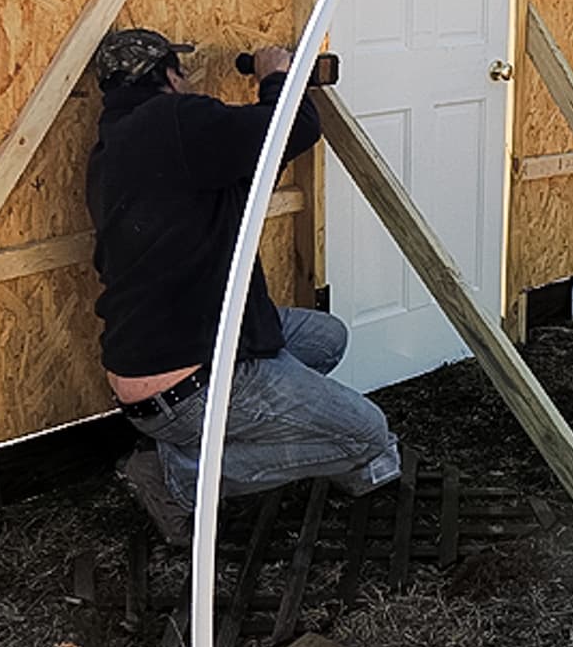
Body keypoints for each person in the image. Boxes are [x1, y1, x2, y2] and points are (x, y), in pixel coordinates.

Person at [86, 28, 399, 546]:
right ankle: (178, 477)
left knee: (326, 338)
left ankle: (263, 424)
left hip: (158, 366)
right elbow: (294, 130)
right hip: (191, 384)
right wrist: (278, 75)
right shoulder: (172, 121)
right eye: (180, 72)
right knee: (369, 435)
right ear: (168, 74)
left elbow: (229, 176)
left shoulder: (115, 146)